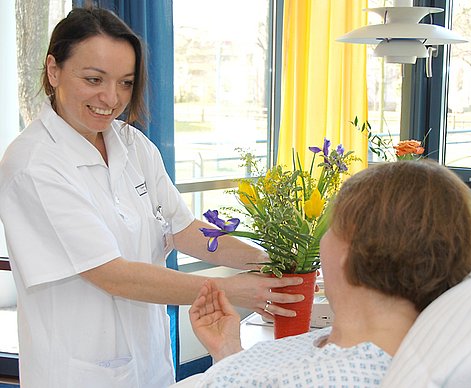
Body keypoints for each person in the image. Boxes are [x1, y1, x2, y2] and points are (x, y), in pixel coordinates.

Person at [0, 7, 303, 388]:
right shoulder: (33, 165)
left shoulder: (131, 144)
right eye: (94, 79)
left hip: (149, 364)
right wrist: (231, 289)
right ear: (53, 69)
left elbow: (185, 229)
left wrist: (267, 263)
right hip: (78, 373)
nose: (110, 98)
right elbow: (111, 274)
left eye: (125, 83)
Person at [188, 160, 471, 387]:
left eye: (331, 227)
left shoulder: (333, 376)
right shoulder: (394, 353)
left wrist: (226, 373)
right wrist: (228, 353)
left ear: (351, 248)